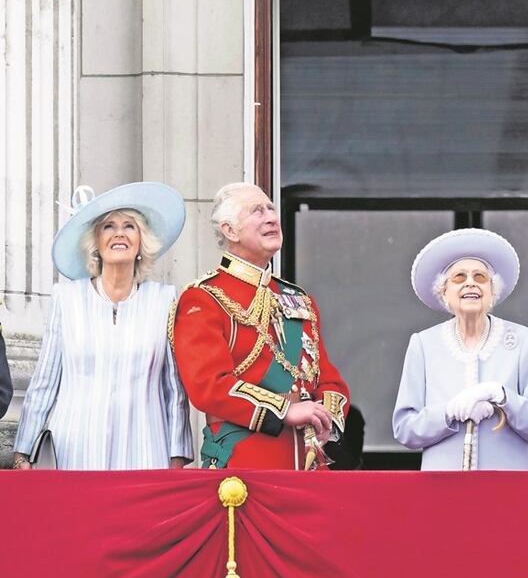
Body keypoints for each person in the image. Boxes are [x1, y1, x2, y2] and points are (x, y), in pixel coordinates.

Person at [12, 183, 193, 469]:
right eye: (108, 226)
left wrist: (176, 457)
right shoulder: (66, 298)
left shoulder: (164, 300)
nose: (119, 233)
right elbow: (45, 382)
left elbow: (174, 390)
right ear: (95, 241)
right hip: (74, 453)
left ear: (141, 242)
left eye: (129, 226)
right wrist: (23, 453)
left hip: (145, 453)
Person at [171, 183, 350, 469]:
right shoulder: (204, 297)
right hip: (244, 463)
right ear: (230, 230)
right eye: (257, 211)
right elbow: (208, 386)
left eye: (271, 209)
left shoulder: (298, 298)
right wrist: (285, 410)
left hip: (309, 462)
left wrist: (325, 416)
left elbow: (329, 379)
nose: (271, 217)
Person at [393, 228, 528, 470]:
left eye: (480, 277)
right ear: (444, 292)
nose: (470, 283)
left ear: (492, 291)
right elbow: (405, 429)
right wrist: (448, 413)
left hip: (508, 487)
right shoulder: (423, 344)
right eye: (459, 277)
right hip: (443, 488)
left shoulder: (524, 340)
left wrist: (502, 396)